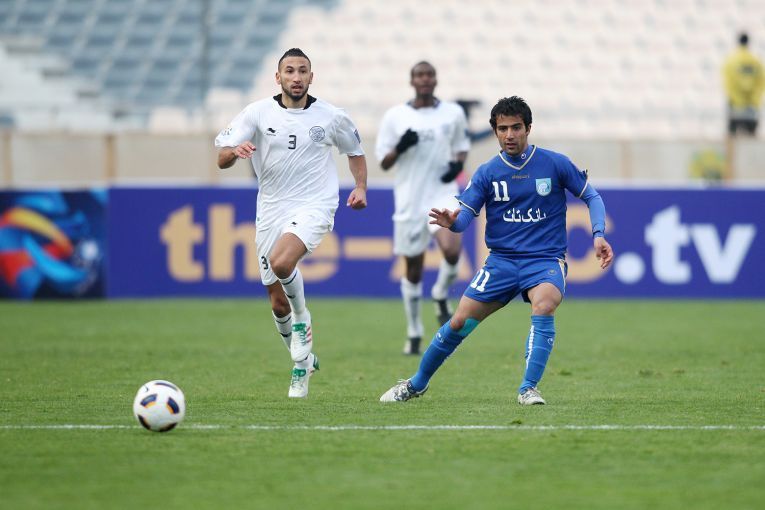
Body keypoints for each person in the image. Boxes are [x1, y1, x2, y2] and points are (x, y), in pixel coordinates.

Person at [380, 96, 614, 405]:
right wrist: (453, 222)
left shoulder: (554, 164)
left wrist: (598, 234)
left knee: (544, 305)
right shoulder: (487, 172)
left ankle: (528, 389)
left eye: (516, 127)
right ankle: (416, 383)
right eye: (503, 129)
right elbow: (465, 217)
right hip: (501, 263)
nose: (510, 135)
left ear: (528, 128)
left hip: (544, 261)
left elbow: (592, 196)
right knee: (459, 323)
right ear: (495, 132)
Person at [215, 48, 368, 398]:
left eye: (302, 71)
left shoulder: (331, 116)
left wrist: (360, 187)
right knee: (276, 302)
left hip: (315, 203)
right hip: (271, 207)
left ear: (311, 77)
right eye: (289, 71)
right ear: (278, 77)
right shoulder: (257, 112)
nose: (296, 77)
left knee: (283, 263)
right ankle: (303, 363)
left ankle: (303, 320)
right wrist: (234, 152)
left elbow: (355, 152)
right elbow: (222, 156)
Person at [375, 61, 471, 355]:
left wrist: (457, 166)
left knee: (452, 250)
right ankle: (414, 330)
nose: (425, 79)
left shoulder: (452, 113)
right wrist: (400, 147)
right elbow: (384, 162)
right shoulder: (395, 116)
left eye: (429, 74)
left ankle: (440, 292)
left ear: (436, 79)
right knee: (413, 270)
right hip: (409, 200)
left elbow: (462, 146)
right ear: (412, 81)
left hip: (442, 193)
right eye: (419, 75)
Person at [723, 32, 765, 136]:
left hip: (735, 105)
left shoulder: (731, 61)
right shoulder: (756, 61)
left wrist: (736, 99)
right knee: (751, 139)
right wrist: (754, 100)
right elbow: (761, 83)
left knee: (732, 139)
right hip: (752, 106)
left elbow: (728, 83)